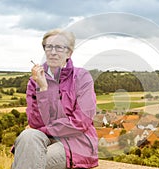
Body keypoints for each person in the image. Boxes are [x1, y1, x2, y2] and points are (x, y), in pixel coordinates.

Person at [11, 29, 98, 169]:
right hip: (45, 137)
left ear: (69, 53)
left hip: (76, 141)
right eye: (49, 47)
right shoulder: (35, 81)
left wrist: (46, 129)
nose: (53, 52)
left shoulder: (82, 77)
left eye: (59, 47)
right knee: (28, 135)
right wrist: (43, 88)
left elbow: (80, 123)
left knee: (28, 162)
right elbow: (35, 122)